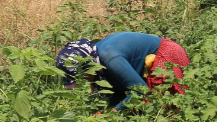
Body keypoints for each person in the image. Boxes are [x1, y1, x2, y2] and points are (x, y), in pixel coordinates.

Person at [55, 32, 190, 111]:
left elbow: (140, 91)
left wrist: (114, 112)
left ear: (87, 66)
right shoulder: (97, 60)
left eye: (82, 76)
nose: (83, 80)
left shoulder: (110, 58)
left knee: (165, 109)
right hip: (151, 64)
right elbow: (116, 92)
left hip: (167, 56)